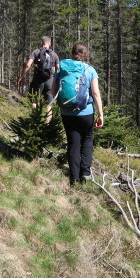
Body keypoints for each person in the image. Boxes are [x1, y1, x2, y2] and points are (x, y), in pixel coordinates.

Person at [52, 42, 104, 187]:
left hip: (67, 112)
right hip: (86, 112)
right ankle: (85, 173)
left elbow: (53, 90)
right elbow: (95, 93)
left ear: (72, 53)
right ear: (85, 55)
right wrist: (100, 114)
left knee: (73, 143)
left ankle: (74, 179)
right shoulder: (90, 70)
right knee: (87, 139)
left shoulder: (62, 69)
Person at [17, 36, 60, 120]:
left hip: (38, 81)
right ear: (50, 44)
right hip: (50, 81)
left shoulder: (36, 52)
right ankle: (48, 127)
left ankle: (34, 124)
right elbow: (58, 69)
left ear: (41, 43)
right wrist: (56, 81)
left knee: (34, 102)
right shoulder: (54, 54)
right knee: (48, 105)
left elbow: (28, 65)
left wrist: (21, 77)